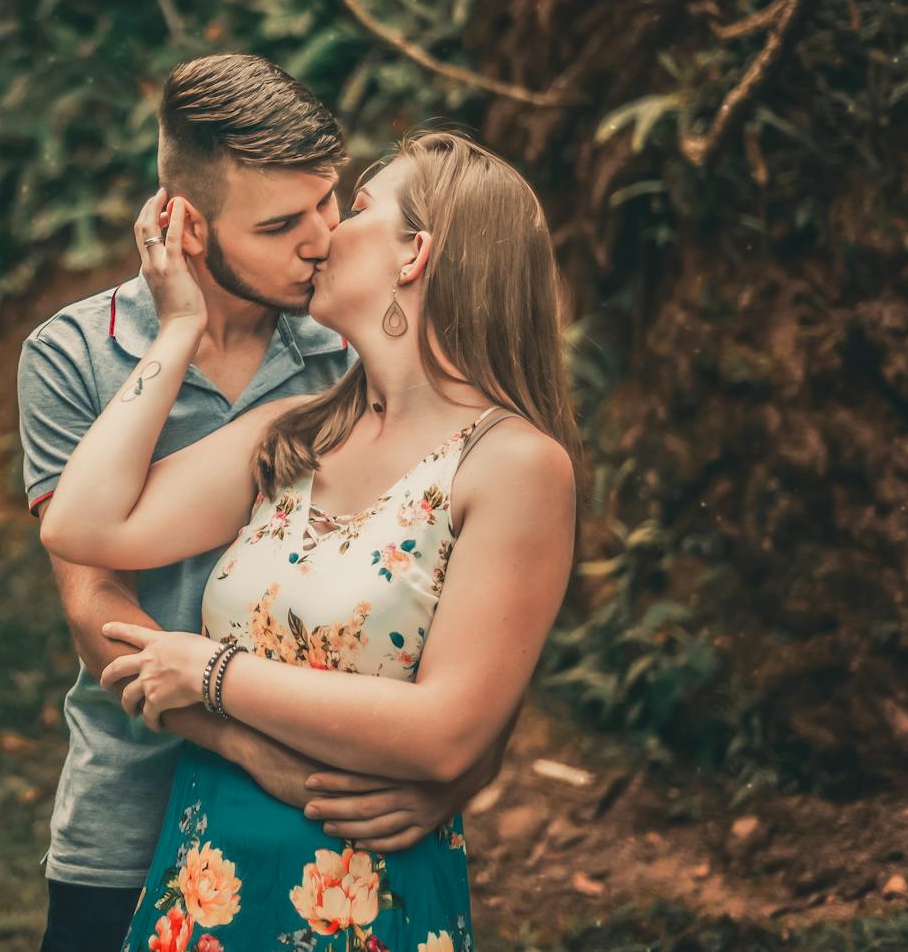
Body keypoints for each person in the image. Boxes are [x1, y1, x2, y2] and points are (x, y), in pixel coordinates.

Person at [40, 127, 582, 952]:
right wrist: (179, 325)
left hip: (361, 898)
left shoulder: (514, 465)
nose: (326, 233)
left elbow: (447, 730)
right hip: (203, 876)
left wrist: (212, 672)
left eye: (357, 208)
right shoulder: (292, 433)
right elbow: (83, 525)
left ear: (416, 255)